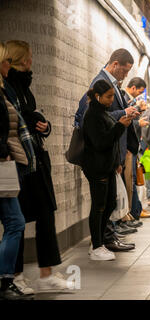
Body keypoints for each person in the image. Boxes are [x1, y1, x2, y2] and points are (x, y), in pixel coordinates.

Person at [3, 40, 75, 292]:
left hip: (34, 159)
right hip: (19, 163)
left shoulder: (23, 86)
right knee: (17, 221)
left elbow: (28, 120)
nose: (32, 60)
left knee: (45, 215)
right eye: (29, 56)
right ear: (18, 59)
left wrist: (45, 126)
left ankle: (46, 273)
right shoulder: (7, 87)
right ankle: (15, 275)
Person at [75, 48, 138, 250]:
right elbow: (93, 117)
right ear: (115, 64)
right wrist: (123, 113)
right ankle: (102, 241)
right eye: (124, 71)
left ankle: (107, 238)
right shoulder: (99, 83)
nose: (126, 75)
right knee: (101, 204)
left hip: (109, 157)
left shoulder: (111, 84)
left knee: (109, 202)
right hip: (99, 159)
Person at [82, 80, 132, 260]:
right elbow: (101, 142)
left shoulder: (102, 112)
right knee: (99, 206)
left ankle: (100, 242)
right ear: (98, 96)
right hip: (97, 167)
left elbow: (110, 142)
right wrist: (120, 126)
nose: (111, 100)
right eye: (108, 96)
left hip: (108, 167)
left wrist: (116, 162)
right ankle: (96, 246)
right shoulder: (92, 115)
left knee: (109, 203)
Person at [0, 51, 30, 299]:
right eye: (5, 61)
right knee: (15, 222)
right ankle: (4, 281)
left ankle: (6, 280)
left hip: (8, 163)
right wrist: (3, 152)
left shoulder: (4, 91)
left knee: (13, 221)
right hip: (2, 164)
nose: (8, 65)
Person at [122, 77, 150, 220]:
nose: (139, 96)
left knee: (133, 180)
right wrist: (138, 123)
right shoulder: (124, 97)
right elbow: (125, 122)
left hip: (132, 147)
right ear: (133, 87)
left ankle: (135, 210)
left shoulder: (130, 101)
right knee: (131, 180)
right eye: (139, 92)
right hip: (128, 147)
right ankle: (134, 212)